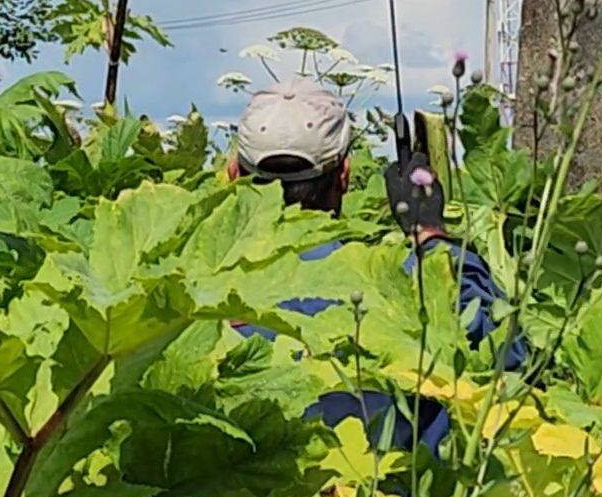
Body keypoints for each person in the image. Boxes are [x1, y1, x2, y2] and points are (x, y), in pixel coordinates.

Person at [225, 77, 525, 455]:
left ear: (233, 174)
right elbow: (508, 359)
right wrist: (430, 236)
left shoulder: (196, 295)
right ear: (345, 175)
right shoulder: (398, 287)